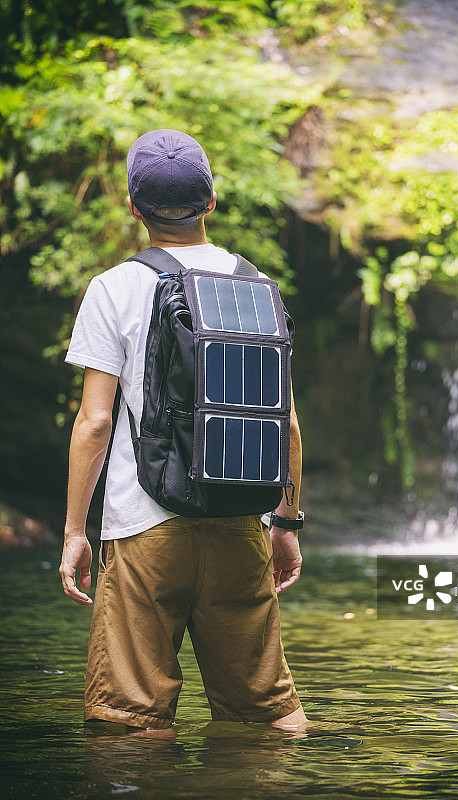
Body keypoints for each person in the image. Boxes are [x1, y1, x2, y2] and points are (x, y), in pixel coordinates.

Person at [59, 129, 307, 731]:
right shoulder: (256, 288)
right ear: (212, 202)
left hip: (146, 525)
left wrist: (74, 531)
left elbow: (95, 423)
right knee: (266, 716)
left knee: (129, 719)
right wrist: (286, 523)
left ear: (133, 209)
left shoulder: (114, 288)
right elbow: (289, 427)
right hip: (239, 521)